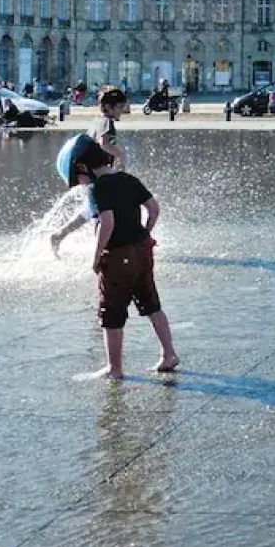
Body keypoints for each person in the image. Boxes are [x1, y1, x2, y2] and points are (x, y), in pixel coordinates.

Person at [72, 141, 179, 379]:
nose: (80, 182)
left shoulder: (98, 188)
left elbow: (107, 223)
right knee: (151, 302)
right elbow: (153, 208)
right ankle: (169, 353)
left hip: (118, 255)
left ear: (84, 167)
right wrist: (147, 233)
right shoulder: (129, 179)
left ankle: (115, 368)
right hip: (142, 250)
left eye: (78, 176)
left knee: (111, 310)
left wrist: (97, 255)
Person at [91, 85, 129, 165]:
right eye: (120, 107)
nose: (122, 110)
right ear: (108, 107)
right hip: (97, 169)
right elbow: (103, 143)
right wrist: (120, 155)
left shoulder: (99, 119)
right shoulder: (106, 121)